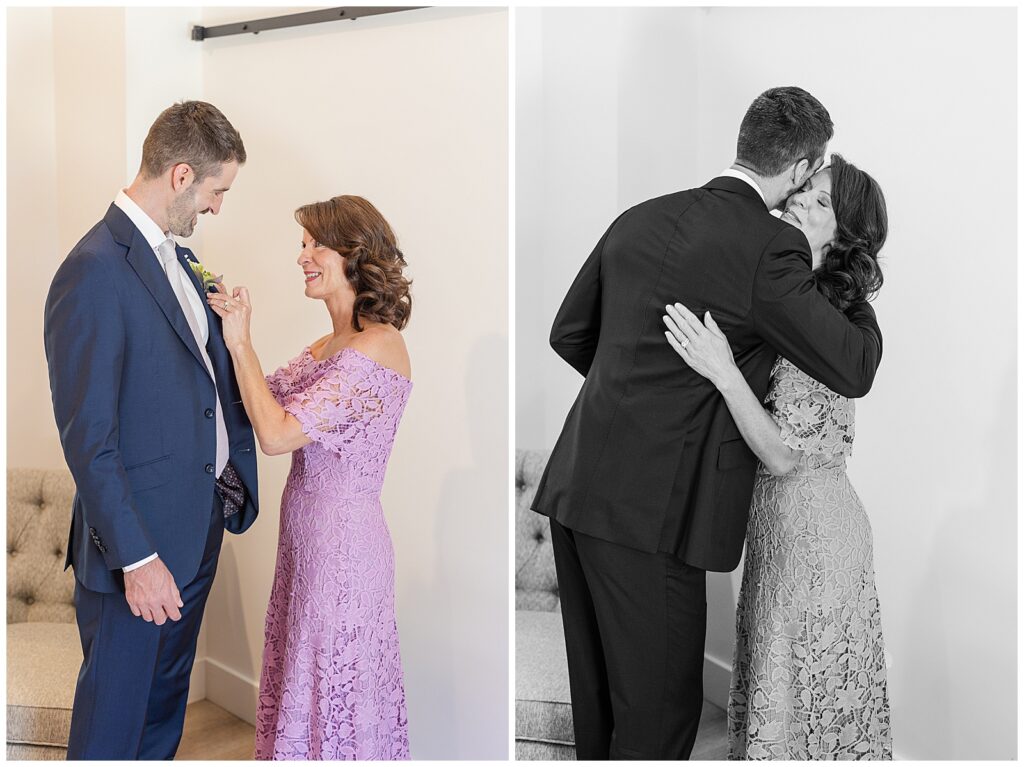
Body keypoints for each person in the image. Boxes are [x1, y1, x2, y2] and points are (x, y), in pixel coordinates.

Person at [531, 87, 883, 759]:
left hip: (576, 491)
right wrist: (858, 278)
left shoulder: (640, 217)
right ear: (805, 165)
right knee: (658, 720)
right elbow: (855, 365)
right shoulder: (769, 247)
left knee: (600, 715)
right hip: (651, 517)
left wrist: (645, 404)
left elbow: (570, 333)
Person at [43, 101, 259, 760]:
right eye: (217, 191)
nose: (218, 207)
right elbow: (90, 438)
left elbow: (195, 392)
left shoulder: (183, 261)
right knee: (113, 728)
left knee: (162, 719)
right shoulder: (93, 270)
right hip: (138, 556)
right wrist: (136, 559)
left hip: (197, 535)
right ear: (183, 174)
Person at [663, 154, 892, 760]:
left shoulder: (836, 319)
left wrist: (721, 371)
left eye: (822, 205)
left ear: (844, 237)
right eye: (804, 191)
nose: (800, 204)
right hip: (774, 528)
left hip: (818, 535)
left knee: (809, 704)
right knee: (775, 690)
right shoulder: (786, 291)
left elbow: (787, 455)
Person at [206, 195, 413, 760]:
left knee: (334, 695)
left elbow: (274, 435)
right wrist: (218, 330)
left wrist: (240, 340)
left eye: (314, 243)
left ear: (354, 251)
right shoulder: (326, 346)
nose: (303, 256)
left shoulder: (380, 346)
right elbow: (254, 404)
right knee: (303, 679)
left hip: (344, 557)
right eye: (302, 244)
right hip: (305, 550)